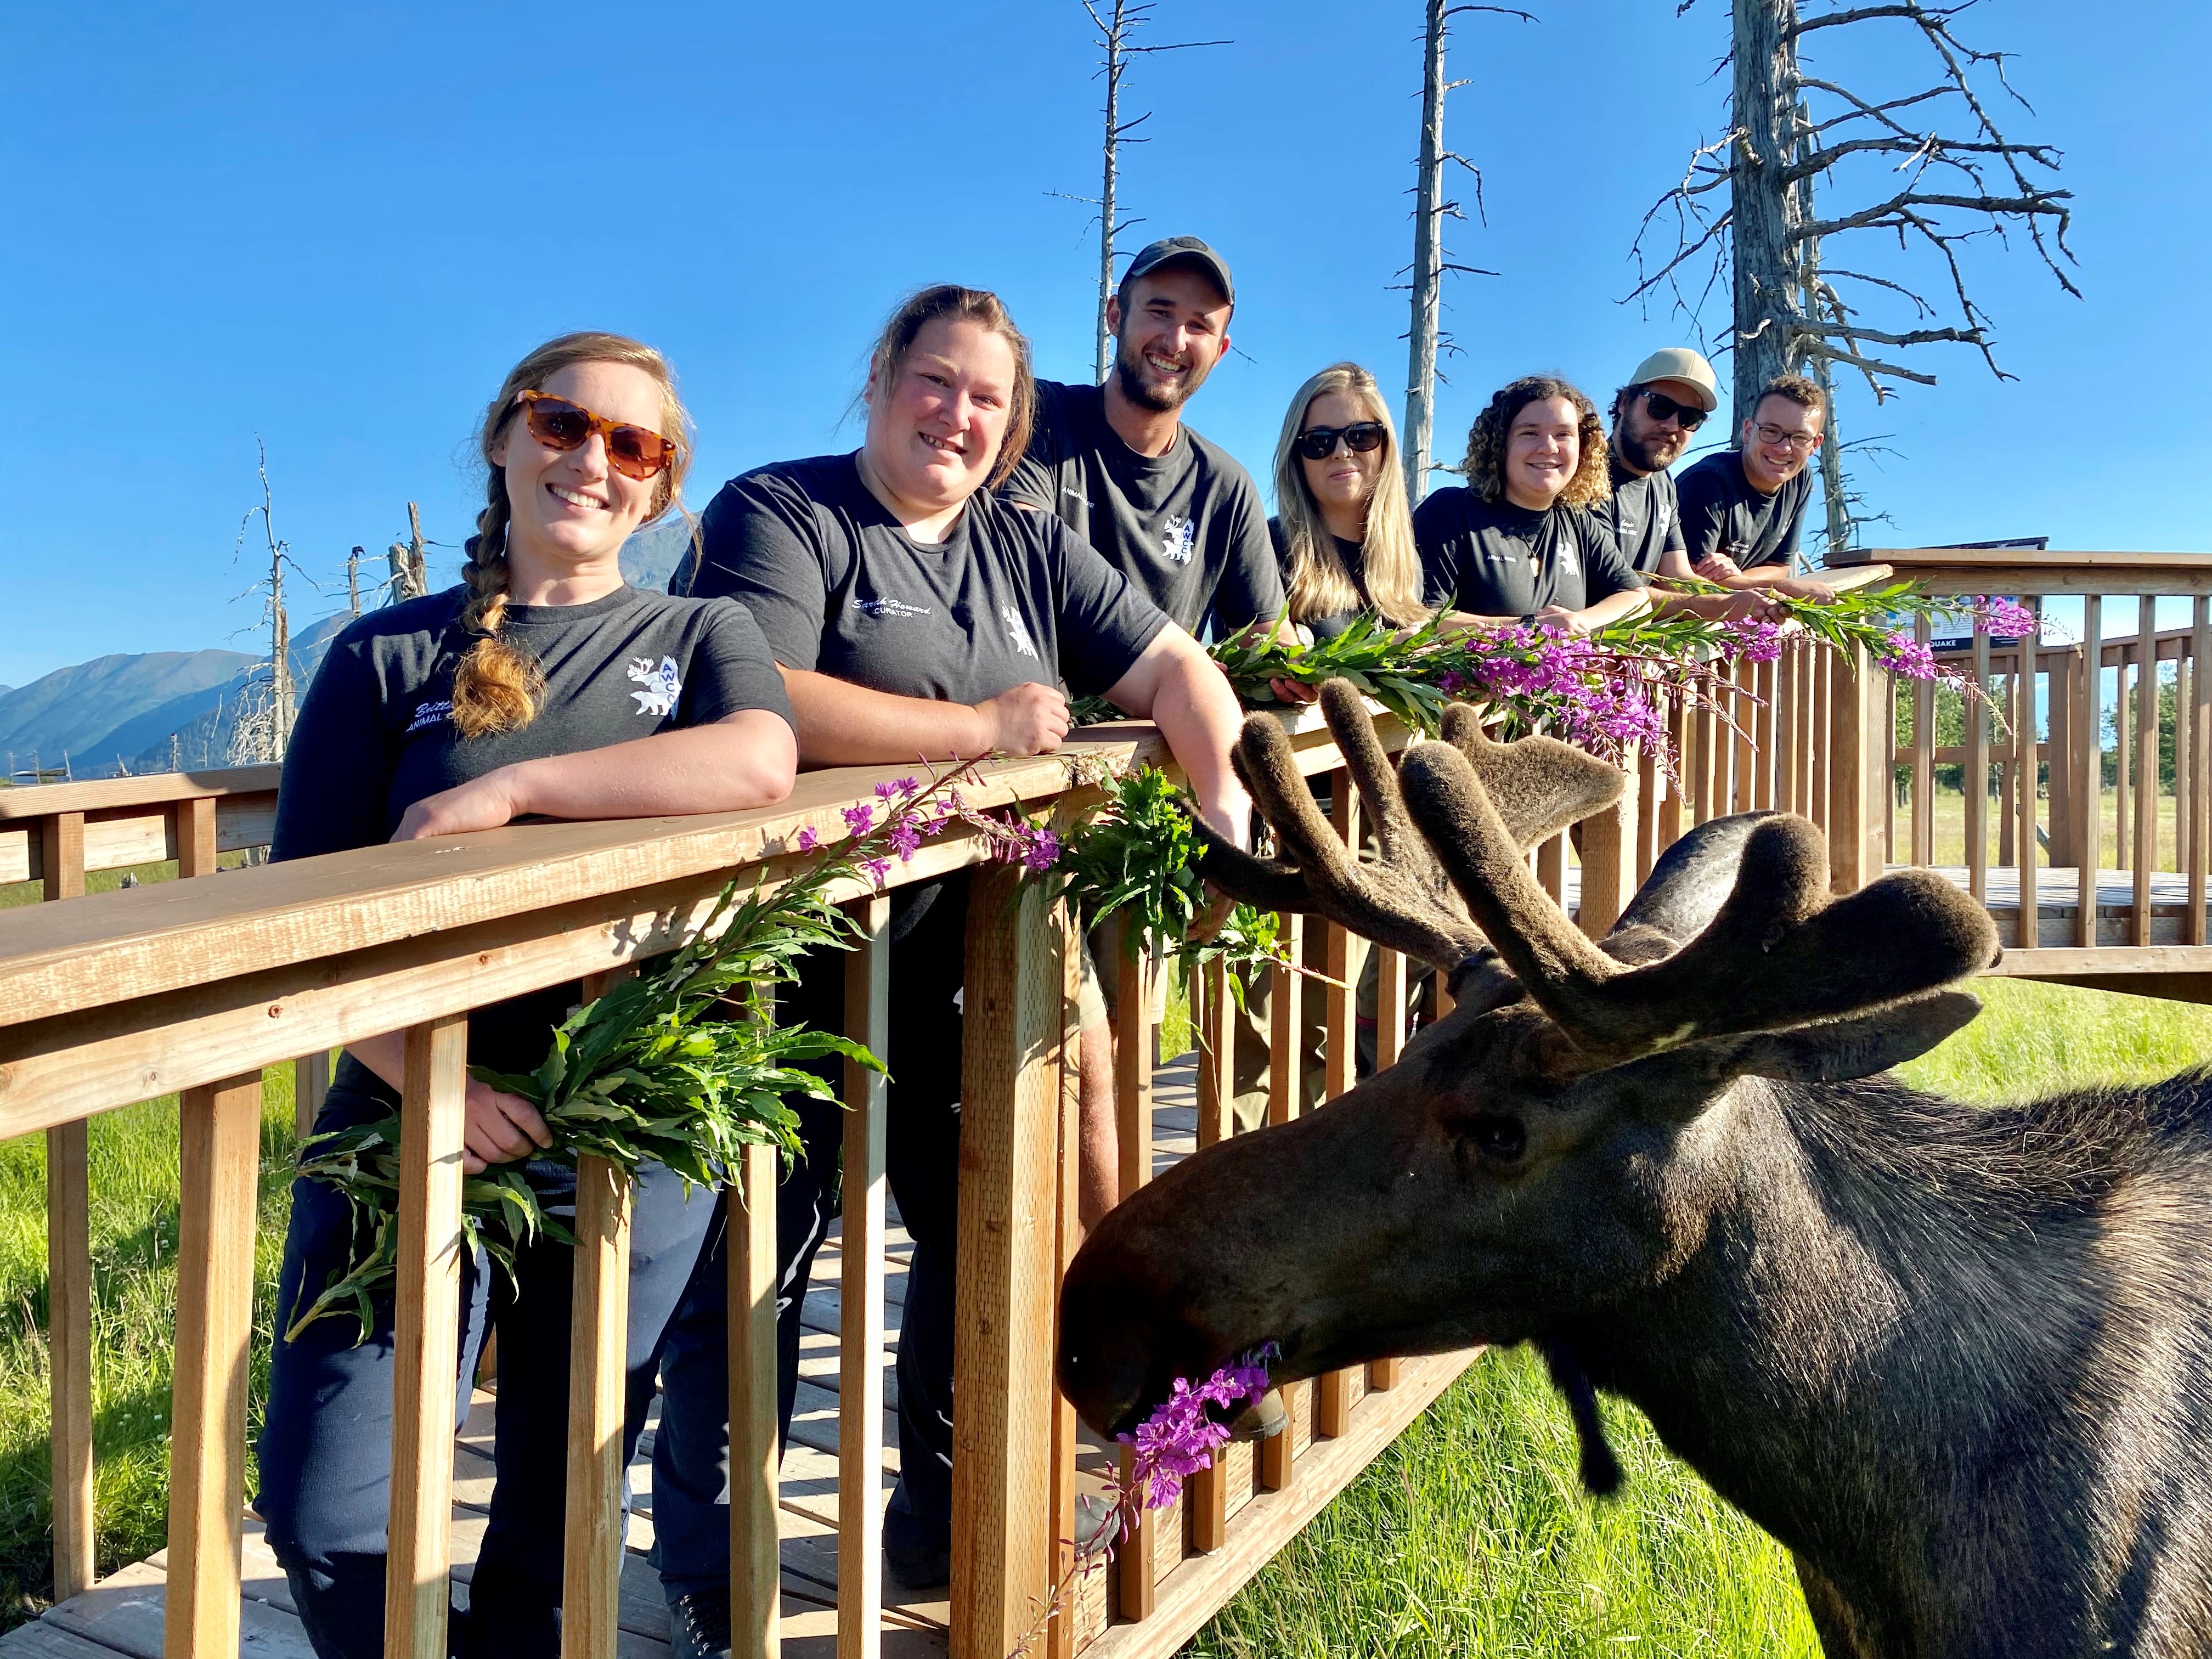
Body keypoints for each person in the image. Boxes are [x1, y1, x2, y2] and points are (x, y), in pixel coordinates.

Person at [659, 285, 1248, 1643]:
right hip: (782, 968)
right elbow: (765, 698)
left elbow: (1173, 668)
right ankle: (707, 1571)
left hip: (968, 969)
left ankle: (938, 1515)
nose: (958, 416)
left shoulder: (1026, 539)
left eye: (987, 399)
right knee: (750, 1274)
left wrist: (1224, 816)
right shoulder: (783, 514)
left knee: (982, 1253)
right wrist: (978, 727)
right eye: (936, 383)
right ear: (880, 380)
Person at [255, 332, 800, 1659]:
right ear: (504, 438)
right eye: (564, 425)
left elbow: (762, 759)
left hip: (630, 1130)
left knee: (559, 1523)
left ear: (665, 489)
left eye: (634, 446)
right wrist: (422, 1073)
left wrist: (511, 787)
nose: (592, 463)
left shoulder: (699, 633)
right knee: (328, 1509)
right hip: (402, 1111)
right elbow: (288, 921)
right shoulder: (386, 657)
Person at [1223, 363, 1434, 1128]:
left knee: (1382, 1025)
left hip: (1388, 835)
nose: (1341, 453)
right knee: (1283, 1038)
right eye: (1319, 442)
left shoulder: (1407, 575)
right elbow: (1225, 660)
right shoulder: (1270, 554)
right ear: (1294, 459)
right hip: (1293, 836)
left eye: (1361, 435)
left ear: (1385, 448)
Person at [1414, 374, 1651, 633]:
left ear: (1582, 448)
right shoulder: (1450, 512)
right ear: (1501, 444)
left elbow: (1638, 600)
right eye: (1530, 433)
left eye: (1563, 434)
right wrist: (1528, 627)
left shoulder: (1580, 523)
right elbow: (1421, 617)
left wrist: (1577, 624)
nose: (1549, 447)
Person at [1673, 373, 1838, 602]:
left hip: (1739, 608)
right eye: (1771, 432)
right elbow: (1686, 582)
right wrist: (1781, 588)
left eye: (1800, 437)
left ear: (1815, 444)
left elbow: (1780, 565)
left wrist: (1740, 579)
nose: (1784, 448)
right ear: (1749, 431)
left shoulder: (1799, 478)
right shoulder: (1707, 482)